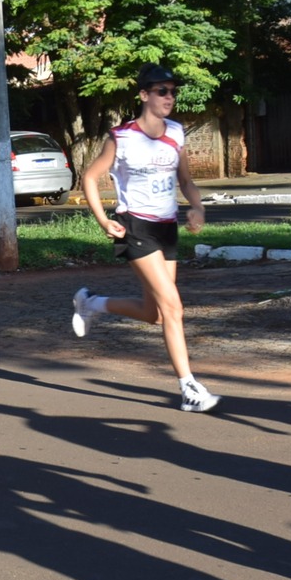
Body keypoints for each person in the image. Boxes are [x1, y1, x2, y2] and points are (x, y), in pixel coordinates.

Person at [69, 64, 220, 413]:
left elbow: (186, 180)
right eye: (161, 91)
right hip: (136, 227)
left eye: (172, 91)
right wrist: (103, 220)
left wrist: (197, 207)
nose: (169, 97)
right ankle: (189, 388)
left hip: (167, 228)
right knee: (173, 306)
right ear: (144, 95)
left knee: (156, 314)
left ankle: (91, 303)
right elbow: (90, 178)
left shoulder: (177, 133)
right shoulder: (121, 137)